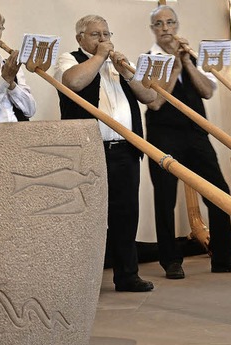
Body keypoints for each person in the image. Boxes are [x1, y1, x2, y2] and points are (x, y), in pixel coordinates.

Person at [145, 5, 231, 279]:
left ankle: (223, 257)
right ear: (153, 30)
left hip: (196, 134)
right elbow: (155, 102)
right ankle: (170, 260)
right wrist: (174, 68)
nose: (166, 28)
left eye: (170, 22)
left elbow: (206, 91)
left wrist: (187, 63)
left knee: (218, 191)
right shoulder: (147, 59)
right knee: (165, 198)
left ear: (177, 26)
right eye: (160, 24)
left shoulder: (192, 57)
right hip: (163, 134)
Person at [54, 15, 157, 292]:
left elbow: (150, 97)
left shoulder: (118, 64)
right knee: (89, 217)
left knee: (126, 214)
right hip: (88, 153)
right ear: (80, 39)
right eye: (95, 34)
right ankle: (83, 281)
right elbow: (73, 83)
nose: (103, 40)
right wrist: (99, 57)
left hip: (125, 151)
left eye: (106, 34)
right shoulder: (69, 58)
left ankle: (127, 276)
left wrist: (127, 72)